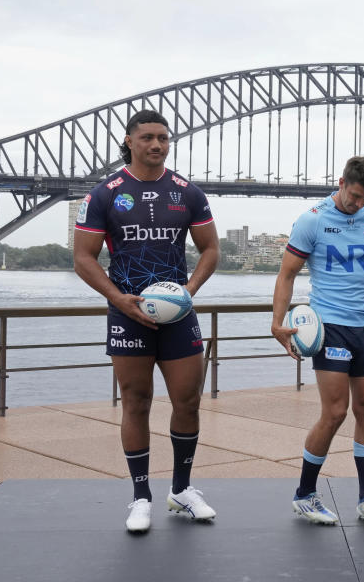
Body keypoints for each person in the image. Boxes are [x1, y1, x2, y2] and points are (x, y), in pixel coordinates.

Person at [73, 109, 220, 533]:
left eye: (163, 138)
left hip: (178, 314)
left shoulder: (187, 192)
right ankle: (140, 497)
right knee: (136, 401)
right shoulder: (104, 194)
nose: (157, 144)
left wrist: (188, 291)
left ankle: (182, 490)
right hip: (128, 312)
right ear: (130, 141)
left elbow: (210, 249)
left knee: (188, 400)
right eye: (148, 137)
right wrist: (119, 299)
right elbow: (83, 257)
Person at [271, 156, 364, 527]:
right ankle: (305, 495)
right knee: (335, 412)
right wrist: (277, 322)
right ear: (341, 182)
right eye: (354, 196)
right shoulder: (313, 219)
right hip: (329, 327)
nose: (359, 204)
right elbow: (287, 275)